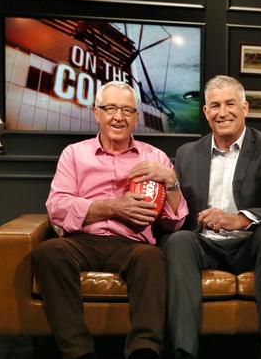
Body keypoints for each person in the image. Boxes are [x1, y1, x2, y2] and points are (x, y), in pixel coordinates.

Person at [32, 81, 189, 359]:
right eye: (111, 108)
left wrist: (172, 182)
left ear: (137, 118)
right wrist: (113, 208)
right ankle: (79, 351)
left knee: (152, 259)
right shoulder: (74, 154)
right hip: (81, 240)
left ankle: (145, 350)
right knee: (48, 253)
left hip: (132, 244)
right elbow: (57, 206)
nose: (119, 117)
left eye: (127, 110)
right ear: (96, 113)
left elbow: (175, 223)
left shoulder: (156, 158)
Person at [160, 75, 261, 359]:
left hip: (252, 243)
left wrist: (240, 219)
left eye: (230, 103)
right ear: (206, 112)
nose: (223, 112)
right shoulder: (186, 153)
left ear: (244, 107)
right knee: (178, 241)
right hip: (205, 243)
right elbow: (181, 215)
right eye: (215, 105)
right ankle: (184, 350)